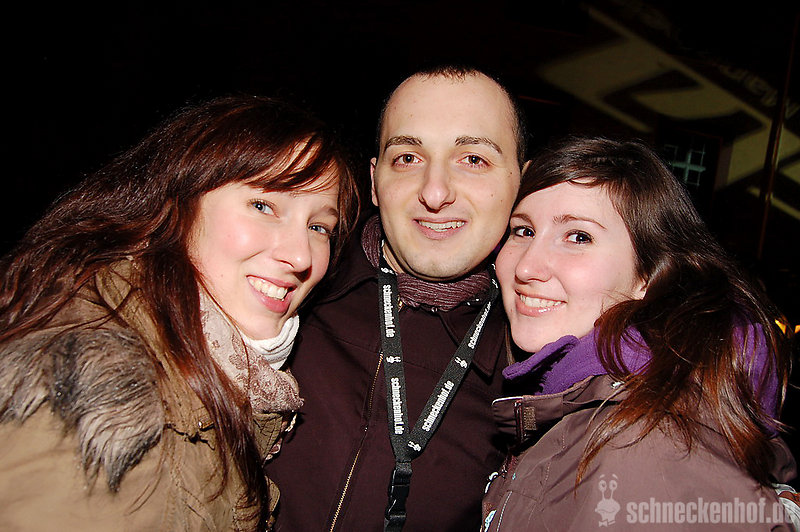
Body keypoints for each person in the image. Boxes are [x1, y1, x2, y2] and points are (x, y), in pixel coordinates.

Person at [0, 95, 359, 531]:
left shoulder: (218, 378)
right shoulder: (95, 388)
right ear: (177, 202)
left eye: (319, 227)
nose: (301, 256)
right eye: (264, 206)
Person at [482, 136, 797, 531]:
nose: (526, 268)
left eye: (578, 237)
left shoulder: (647, 444)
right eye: (523, 231)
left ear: (649, 276)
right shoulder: (594, 404)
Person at [265, 65, 527, 531]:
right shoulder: (283, 287)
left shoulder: (533, 373)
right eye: (408, 157)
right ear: (374, 181)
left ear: (521, 184)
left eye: (473, 159)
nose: (435, 192)